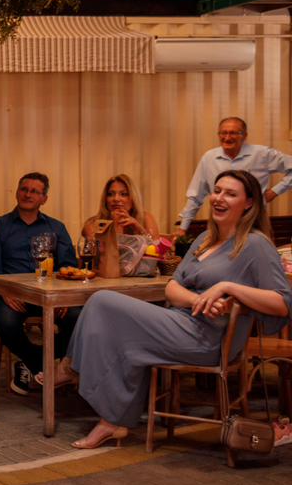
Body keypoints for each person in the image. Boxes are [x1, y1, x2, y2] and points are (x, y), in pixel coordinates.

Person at [57, 170, 292, 449]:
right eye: (217, 191)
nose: (219, 198)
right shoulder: (204, 238)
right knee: (118, 333)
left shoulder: (255, 244)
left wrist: (228, 287)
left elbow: (282, 302)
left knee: (102, 300)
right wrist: (196, 300)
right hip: (181, 322)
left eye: (230, 194)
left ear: (249, 203)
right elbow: (172, 287)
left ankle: (72, 368)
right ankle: (111, 421)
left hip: (207, 339)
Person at [0, 172, 80, 397]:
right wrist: (4, 292)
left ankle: (29, 362)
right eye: (24, 189)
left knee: (79, 318)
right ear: (17, 192)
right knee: (5, 322)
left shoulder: (57, 228)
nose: (28, 194)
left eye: (34, 191)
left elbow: (68, 267)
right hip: (14, 296)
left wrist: (65, 295)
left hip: (51, 296)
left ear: (44, 199)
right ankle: (42, 363)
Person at [178, 117, 292, 231]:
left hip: (254, 223)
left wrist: (275, 191)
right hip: (220, 224)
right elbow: (195, 196)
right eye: (223, 133)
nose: (227, 138)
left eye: (233, 133)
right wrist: (183, 228)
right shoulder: (209, 158)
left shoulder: (262, 154)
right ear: (218, 135)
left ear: (244, 136)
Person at [82, 174, 160, 241]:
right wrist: (117, 224)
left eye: (123, 194)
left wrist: (141, 230)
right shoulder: (92, 225)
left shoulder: (145, 218)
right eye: (111, 194)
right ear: (105, 199)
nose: (116, 199)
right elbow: (113, 255)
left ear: (133, 198)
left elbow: (157, 252)